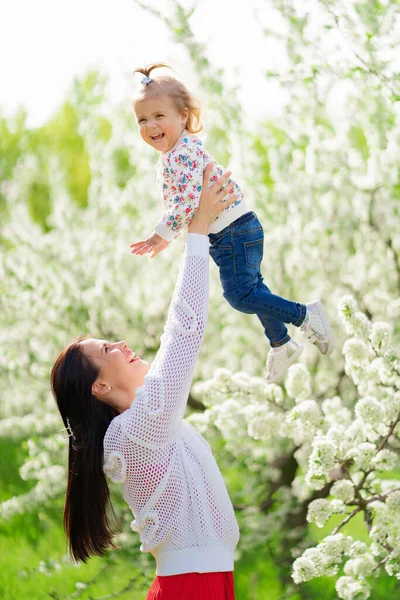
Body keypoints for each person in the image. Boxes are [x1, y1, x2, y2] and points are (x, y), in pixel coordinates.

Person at [51, 165, 240, 599]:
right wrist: (196, 234)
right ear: (98, 387)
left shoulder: (146, 423)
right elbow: (183, 333)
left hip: (208, 583)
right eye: (105, 351)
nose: (120, 343)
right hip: (191, 587)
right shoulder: (134, 432)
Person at [130, 63, 335, 384]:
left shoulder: (182, 152)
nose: (150, 126)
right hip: (230, 233)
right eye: (142, 119)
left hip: (234, 231)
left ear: (183, 117)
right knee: (253, 289)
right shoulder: (174, 153)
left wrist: (161, 235)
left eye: (159, 116)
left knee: (240, 295)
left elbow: (186, 202)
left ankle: (304, 315)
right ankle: (280, 343)